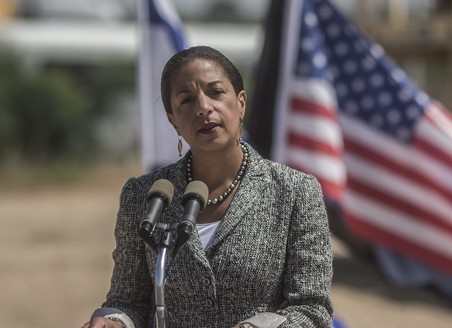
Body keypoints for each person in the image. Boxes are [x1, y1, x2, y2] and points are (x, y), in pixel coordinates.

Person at [82, 46, 334, 328]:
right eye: (186, 100)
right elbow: (128, 300)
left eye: (215, 92)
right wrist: (115, 321)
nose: (203, 107)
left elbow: (312, 309)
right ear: (173, 121)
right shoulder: (143, 195)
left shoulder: (295, 192)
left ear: (241, 103)